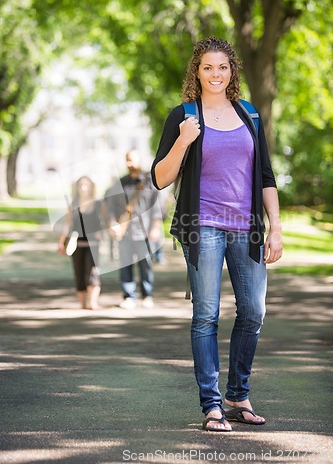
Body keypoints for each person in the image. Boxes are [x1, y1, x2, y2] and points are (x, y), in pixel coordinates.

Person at [151, 37, 282, 432]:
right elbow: (160, 177)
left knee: (254, 312)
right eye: (207, 67)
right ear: (197, 71)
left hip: (247, 227)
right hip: (202, 224)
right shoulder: (184, 115)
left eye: (222, 67)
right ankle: (211, 405)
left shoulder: (249, 115)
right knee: (206, 315)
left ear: (232, 71)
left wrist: (275, 227)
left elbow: (265, 176)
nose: (215, 74)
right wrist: (183, 141)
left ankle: (237, 393)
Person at [104, 149, 162, 309]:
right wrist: (111, 222)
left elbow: (156, 208)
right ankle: (129, 295)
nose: (130, 163)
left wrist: (155, 228)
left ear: (140, 160)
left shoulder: (149, 183)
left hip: (144, 231)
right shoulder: (120, 183)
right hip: (124, 232)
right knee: (125, 265)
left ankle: (147, 295)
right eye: (127, 160)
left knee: (146, 265)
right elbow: (109, 207)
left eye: (132, 160)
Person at [58, 176, 107, 310]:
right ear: (77, 188)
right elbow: (67, 223)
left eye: (86, 185)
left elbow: (106, 220)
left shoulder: (98, 204)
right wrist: (61, 242)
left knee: (93, 273)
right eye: (81, 185)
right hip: (76, 244)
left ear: (92, 187)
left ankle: (93, 302)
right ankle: (83, 303)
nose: (84, 188)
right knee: (79, 272)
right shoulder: (73, 204)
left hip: (94, 244)